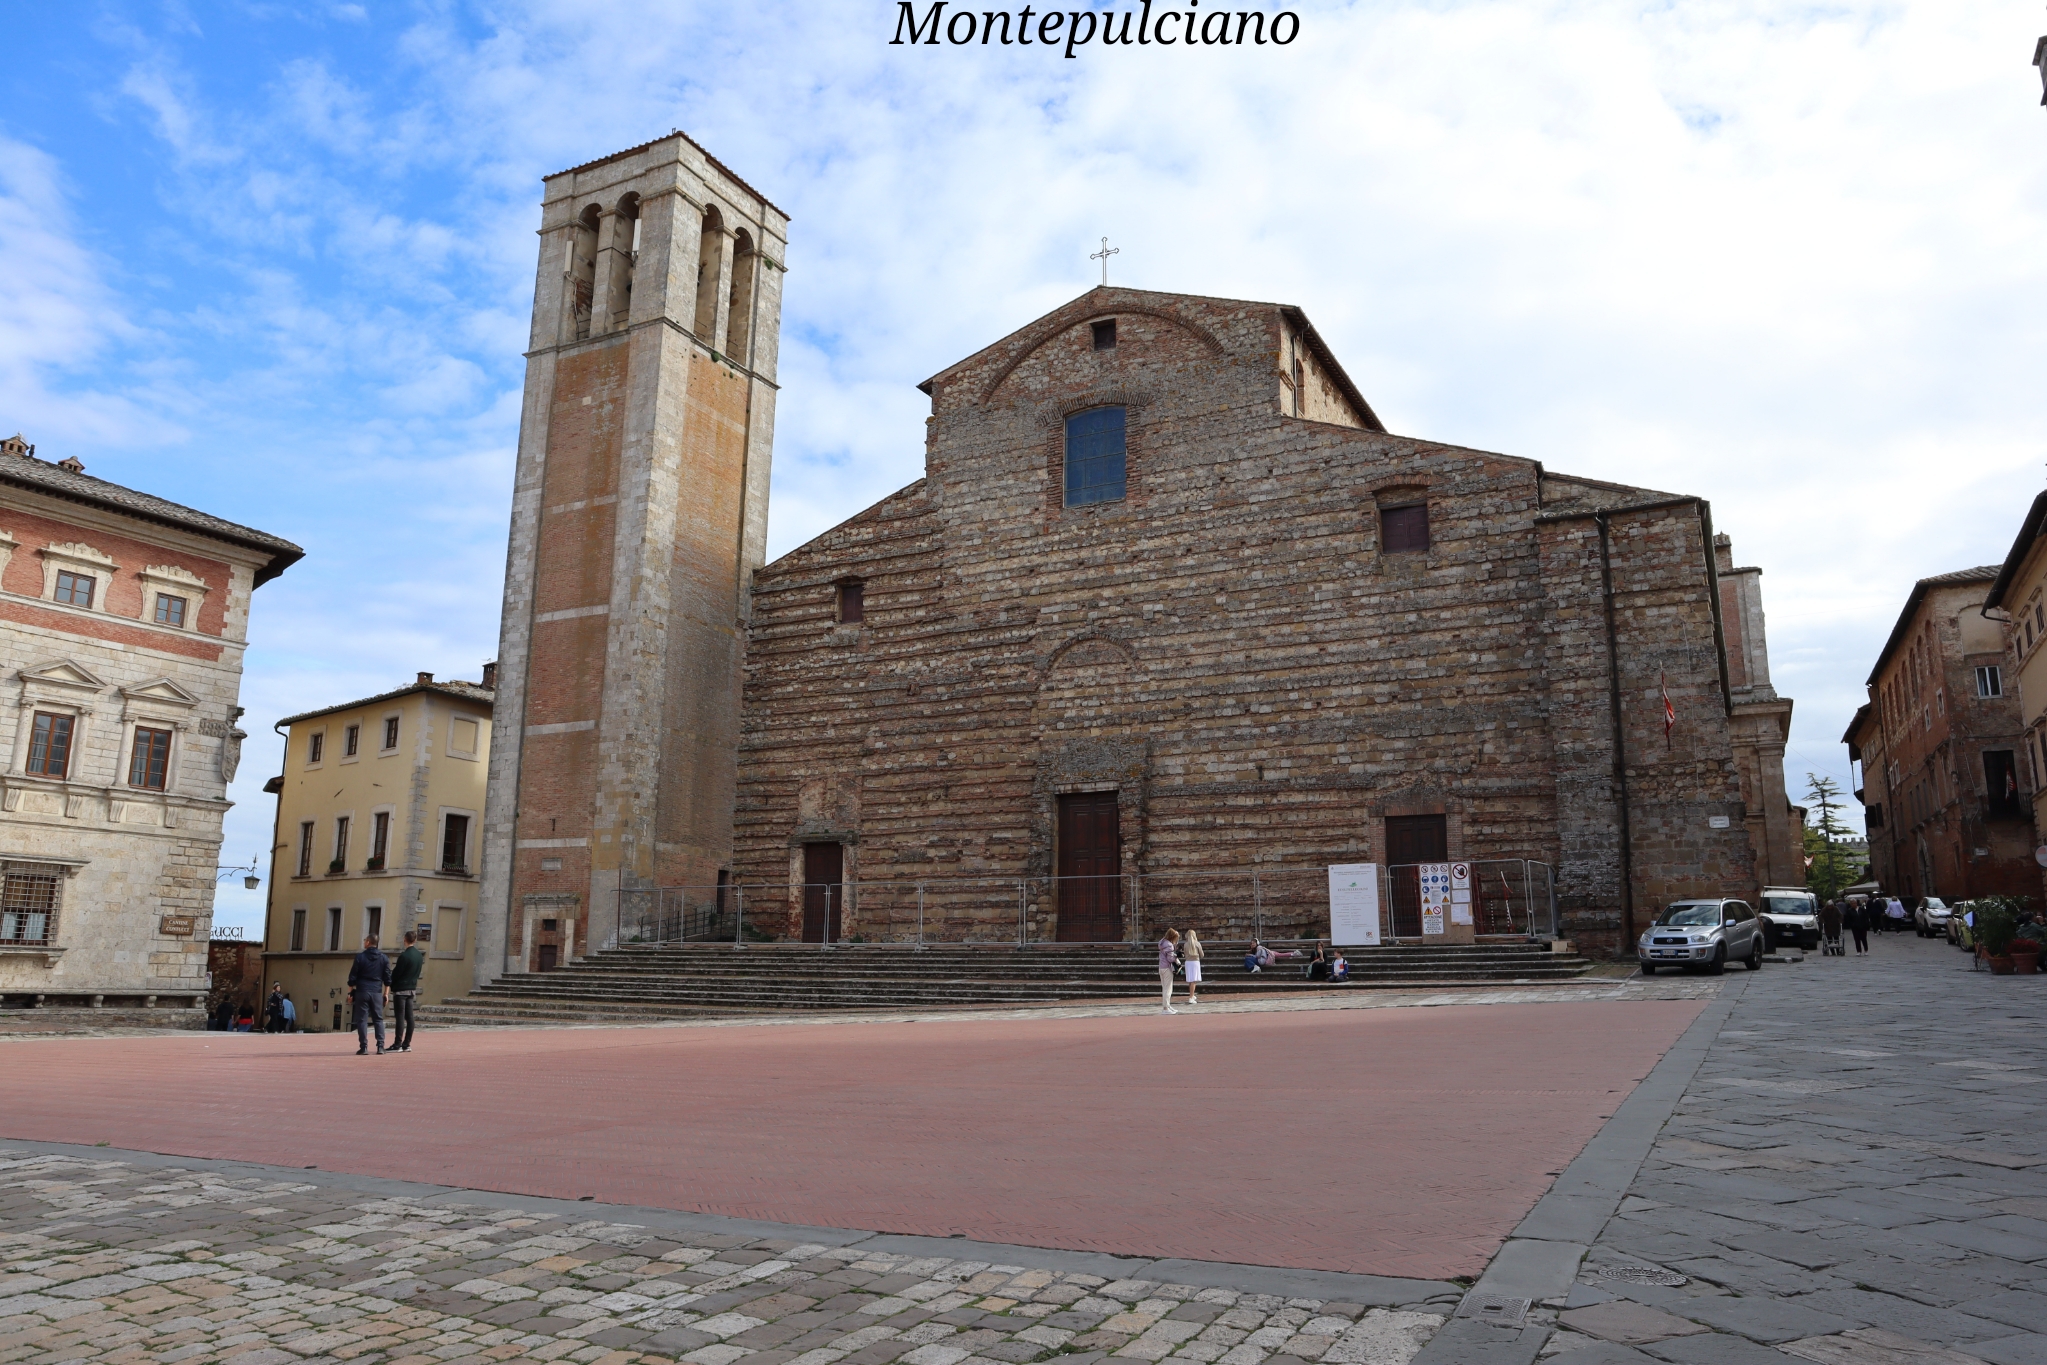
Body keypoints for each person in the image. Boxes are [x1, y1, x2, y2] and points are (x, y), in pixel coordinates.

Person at [347, 934, 392, 1055]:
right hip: (376, 991)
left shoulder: (360, 957)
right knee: (378, 1019)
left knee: (362, 1020)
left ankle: (364, 1047)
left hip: (362, 990)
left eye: (365, 940)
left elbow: (352, 977)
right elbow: (388, 978)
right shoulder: (384, 958)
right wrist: (386, 994)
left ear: (368, 942)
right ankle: (381, 1046)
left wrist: (350, 992)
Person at [389, 930, 426, 1051]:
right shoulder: (419, 955)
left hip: (401, 989)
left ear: (405, 939)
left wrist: (391, 984)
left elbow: (396, 974)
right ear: (415, 940)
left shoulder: (404, 956)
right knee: (410, 1017)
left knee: (400, 1017)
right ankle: (407, 1043)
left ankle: (397, 1043)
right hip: (412, 988)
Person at [1157, 928, 1181, 1014]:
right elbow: (1170, 958)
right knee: (1168, 989)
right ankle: (1165, 1008)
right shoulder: (1169, 945)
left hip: (1161, 967)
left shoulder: (1162, 943)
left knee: (1165, 987)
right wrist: (1176, 957)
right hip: (1167, 967)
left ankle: (1167, 1005)